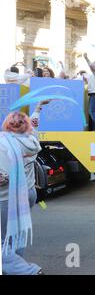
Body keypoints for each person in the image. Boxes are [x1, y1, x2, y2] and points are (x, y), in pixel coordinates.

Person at [0, 100, 50, 275]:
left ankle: (25, 270)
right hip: (28, 192)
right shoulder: (32, 140)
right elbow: (33, 124)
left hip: (7, 197)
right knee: (17, 233)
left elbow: (2, 177)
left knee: (3, 239)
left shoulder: (4, 144)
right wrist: (37, 110)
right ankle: (15, 264)